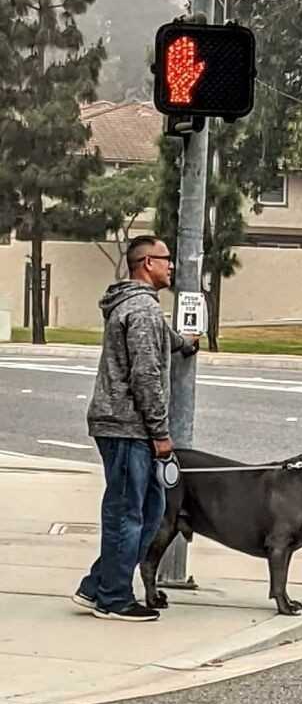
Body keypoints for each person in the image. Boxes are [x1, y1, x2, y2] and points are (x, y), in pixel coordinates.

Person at [74, 235, 198, 622]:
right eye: (166, 259)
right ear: (147, 263)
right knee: (129, 512)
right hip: (128, 427)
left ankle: (97, 585)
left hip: (126, 425)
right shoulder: (142, 310)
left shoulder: (137, 308)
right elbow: (145, 374)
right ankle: (112, 598)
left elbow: (157, 342)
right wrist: (161, 434)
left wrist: (184, 343)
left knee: (149, 508)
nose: (172, 265)